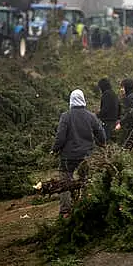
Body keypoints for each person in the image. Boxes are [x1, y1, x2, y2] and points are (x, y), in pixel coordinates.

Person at [51, 89, 106, 218]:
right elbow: (100, 132)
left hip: (68, 156)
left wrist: (54, 149)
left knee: (64, 181)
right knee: (86, 179)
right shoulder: (91, 116)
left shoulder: (66, 116)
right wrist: (102, 144)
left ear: (71, 101)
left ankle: (65, 211)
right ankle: (86, 205)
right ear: (83, 100)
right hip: (86, 155)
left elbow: (60, 137)